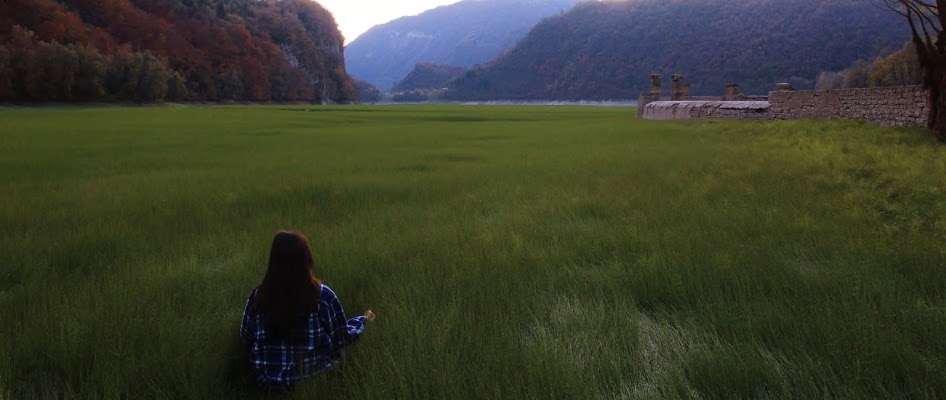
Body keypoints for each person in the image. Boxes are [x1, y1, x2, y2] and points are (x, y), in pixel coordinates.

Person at [240, 230, 376, 391]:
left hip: (266, 381)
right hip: (313, 377)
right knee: (353, 341)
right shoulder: (322, 295)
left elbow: (246, 337)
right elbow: (342, 339)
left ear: (273, 262)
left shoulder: (259, 296)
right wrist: (363, 321)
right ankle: (367, 319)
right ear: (307, 259)